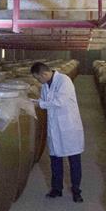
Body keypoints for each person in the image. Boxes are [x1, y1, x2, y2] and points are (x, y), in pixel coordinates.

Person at [31, 62, 85, 202]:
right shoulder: (45, 85)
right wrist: (31, 102)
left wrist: (40, 104)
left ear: (44, 74)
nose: (38, 81)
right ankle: (56, 189)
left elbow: (60, 102)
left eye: (38, 78)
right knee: (55, 160)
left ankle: (76, 191)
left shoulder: (64, 81)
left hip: (68, 127)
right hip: (55, 127)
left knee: (74, 161)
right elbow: (43, 101)